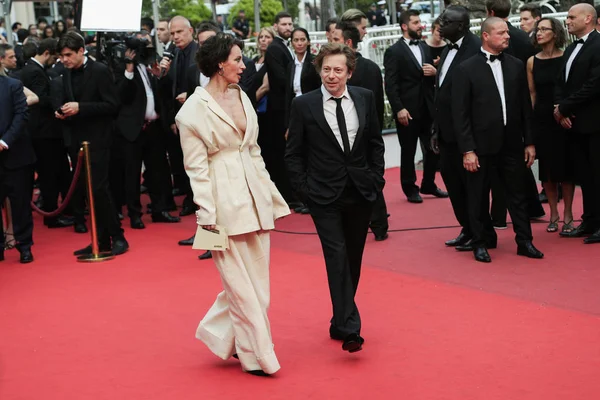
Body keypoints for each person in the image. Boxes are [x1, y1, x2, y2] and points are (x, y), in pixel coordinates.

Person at [176, 33, 290, 376]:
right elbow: (195, 170)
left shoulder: (241, 94)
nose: (244, 65)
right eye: (238, 60)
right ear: (219, 64)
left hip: (254, 199)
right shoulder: (191, 112)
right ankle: (259, 356)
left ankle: (218, 334)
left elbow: (253, 151)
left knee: (259, 289)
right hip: (221, 205)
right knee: (240, 288)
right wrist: (206, 218)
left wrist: (270, 197)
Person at [285, 44, 385, 353]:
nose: (331, 75)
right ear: (319, 71)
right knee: (337, 256)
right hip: (323, 196)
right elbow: (294, 154)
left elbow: (375, 143)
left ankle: (339, 320)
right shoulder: (304, 105)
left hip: (360, 191)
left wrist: (376, 178)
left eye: (338, 70)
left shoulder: (365, 98)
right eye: (326, 69)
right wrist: (306, 191)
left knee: (352, 258)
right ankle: (352, 328)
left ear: (349, 72)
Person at [452, 17, 543, 263]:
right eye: (501, 32)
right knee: (478, 196)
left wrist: (529, 142)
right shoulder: (466, 68)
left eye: (507, 32)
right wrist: (467, 149)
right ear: (486, 35)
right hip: (480, 147)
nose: (507, 36)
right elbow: (460, 115)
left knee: (518, 195)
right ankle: (480, 243)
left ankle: (525, 241)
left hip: (512, 143)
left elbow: (525, 106)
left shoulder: (515, 65)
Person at [54, 32, 129, 256]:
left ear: (80, 51)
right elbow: (70, 99)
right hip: (78, 141)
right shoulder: (66, 73)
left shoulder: (100, 71)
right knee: (89, 191)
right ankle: (100, 239)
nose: (64, 59)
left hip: (99, 139)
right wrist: (63, 111)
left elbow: (113, 105)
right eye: (61, 56)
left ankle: (118, 237)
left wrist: (81, 107)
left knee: (99, 189)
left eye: (68, 55)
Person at [486, 0, 545, 226]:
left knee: (502, 168)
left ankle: (500, 216)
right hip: (523, 109)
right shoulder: (523, 37)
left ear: (490, 12)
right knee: (519, 164)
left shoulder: (507, 41)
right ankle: (530, 208)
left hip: (507, 113)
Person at [331, 21, 389, 241]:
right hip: (356, 137)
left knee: (367, 182)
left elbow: (375, 106)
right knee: (366, 182)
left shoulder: (370, 69)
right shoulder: (370, 68)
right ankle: (377, 224)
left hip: (360, 137)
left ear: (347, 42)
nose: (330, 43)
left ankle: (376, 223)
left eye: (335, 39)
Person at [433, 5, 484, 249]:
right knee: (453, 184)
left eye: (446, 22)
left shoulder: (475, 48)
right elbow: (440, 92)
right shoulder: (446, 49)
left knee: (472, 189)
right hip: (445, 133)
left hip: (467, 136)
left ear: (461, 26)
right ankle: (467, 228)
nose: (440, 25)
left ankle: (480, 233)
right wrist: (436, 129)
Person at [384, 10, 447, 203]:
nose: (421, 25)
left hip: (428, 107)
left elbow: (431, 76)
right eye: (416, 22)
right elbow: (391, 85)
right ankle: (410, 188)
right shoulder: (393, 51)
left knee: (433, 148)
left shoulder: (424, 47)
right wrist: (399, 108)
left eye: (420, 22)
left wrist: (435, 72)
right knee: (409, 150)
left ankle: (428, 183)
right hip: (407, 111)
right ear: (405, 26)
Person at [554, 4, 600, 244]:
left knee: (598, 174)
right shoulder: (571, 48)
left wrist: (564, 107)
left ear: (588, 18)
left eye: (572, 17)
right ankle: (590, 221)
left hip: (595, 124)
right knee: (585, 176)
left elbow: (594, 85)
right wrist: (559, 109)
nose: (568, 21)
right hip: (573, 124)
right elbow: (561, 82)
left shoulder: (598, 45)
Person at [19, 38, 74, 230]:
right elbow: (40, 99)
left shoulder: (30, 69)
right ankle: (52, 215)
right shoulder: (35, 71)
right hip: (44, 133)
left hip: (41, 132)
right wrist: (57, 99)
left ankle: (55, 211)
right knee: (50, 174)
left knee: (51, 173)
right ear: (48, 53)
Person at [526, 18, 575, 234]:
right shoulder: (531, 61)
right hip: (542, 120)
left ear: (555, 33)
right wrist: (528, 122)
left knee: (565, 169)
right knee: (546, 170)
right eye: (538, 29)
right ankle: (553, 213)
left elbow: (570, 88)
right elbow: (532, 93)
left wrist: (565, 111)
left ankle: (569, 214)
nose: (539, 32)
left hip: (562, 117)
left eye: (544, 29)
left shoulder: (566, 57)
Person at [0, 74, 36, 263]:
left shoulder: (13, 85)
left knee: (21, 204)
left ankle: (25, 246)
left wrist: (4, 141)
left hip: (15, 156)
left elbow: (21, 115)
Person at [284, 28, 320, 124]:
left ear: (308, 42)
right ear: (291, 43)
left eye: (302, 40)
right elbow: (288, 94)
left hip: (312, 110)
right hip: (295, 109)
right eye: (296, 40)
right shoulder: (290, 65)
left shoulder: (315, 62)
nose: (299, 43)